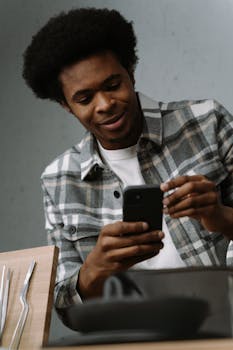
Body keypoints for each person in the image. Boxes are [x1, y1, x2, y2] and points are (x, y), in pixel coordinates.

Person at [22, 8, 233, 319]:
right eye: (84, 99)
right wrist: (95, 269)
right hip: (136, 333)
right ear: (66, 106)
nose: (106, 105)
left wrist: (219, 215)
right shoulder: (59, 181)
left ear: (131, 71)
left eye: (112, 85)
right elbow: (67, 310)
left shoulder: (206, 123)